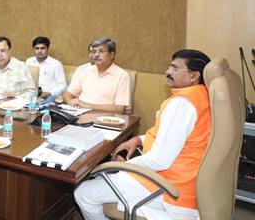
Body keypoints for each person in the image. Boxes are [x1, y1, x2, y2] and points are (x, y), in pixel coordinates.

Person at [74, 49, 211, 220]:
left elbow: (160, 160)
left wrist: (122, 166)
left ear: (194, 75)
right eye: (170, 66)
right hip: (187, 182)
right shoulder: (201, 95)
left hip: (169, 188)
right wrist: (138, 139)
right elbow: (177, 137)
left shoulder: (181, 104)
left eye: (175, 68)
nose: (168, 72)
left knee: (84, 193)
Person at [62, 37, 129, 113]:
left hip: (104, 117)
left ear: (112, 55)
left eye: (101, 51)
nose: (96, 55)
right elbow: (67, 94)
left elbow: (120, 109)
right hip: (79, 114)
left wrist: (86, 105)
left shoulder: (122, 75)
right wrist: (72, 105)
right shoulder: (86, 70)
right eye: (94, 51)